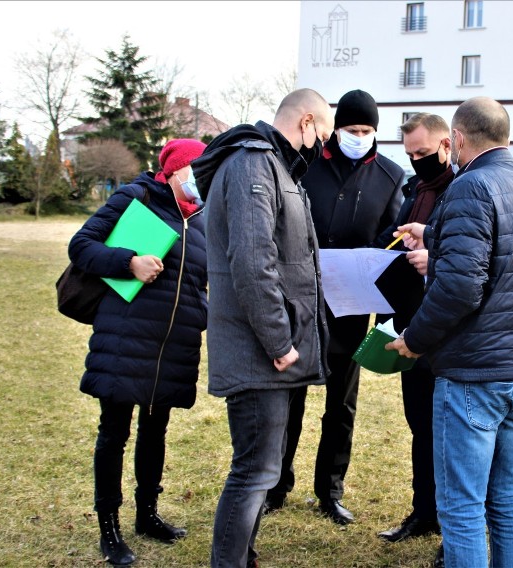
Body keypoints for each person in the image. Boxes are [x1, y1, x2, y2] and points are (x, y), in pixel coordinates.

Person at [386, 96, 513, 568]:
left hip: (474, 373)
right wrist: (435, 236)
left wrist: (414, 339)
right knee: (503, 497)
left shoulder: (470, 187)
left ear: (457, 139)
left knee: (461, 506)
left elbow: (461, 287)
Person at [191, 88, 333, 568]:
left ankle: (243, 557)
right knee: (254, 472)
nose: (321, 149)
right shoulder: (255, 163)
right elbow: (254, 262)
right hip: (261, 352)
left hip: (268, 350)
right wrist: (280, 340)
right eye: (323, 136)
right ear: (307, 121)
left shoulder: (272, 164)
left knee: (262, 470)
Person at [265, 89, 404, 525]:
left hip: (353, 306)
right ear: (336, 129)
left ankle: (330, 490)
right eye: (350, 130)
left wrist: (368, 258)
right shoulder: (306, 166)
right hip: (303, 302)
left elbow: (392, 234)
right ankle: (276, 485)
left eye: (366, 131)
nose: (358, 137)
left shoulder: (390, 175)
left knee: (341, 405)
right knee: (291, 398)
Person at [68, 138, 208, 566]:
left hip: (172, 344)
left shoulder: (202, 219)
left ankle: (147, 513)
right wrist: (129, 262)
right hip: (125, 338)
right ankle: (108, 527)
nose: (201, 180)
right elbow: (81, 246)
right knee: (114, 432)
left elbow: (198, 280)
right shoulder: (137, 198)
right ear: (175, 170)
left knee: (156, 430)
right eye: (196, 170)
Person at [372, 112, 454, 543]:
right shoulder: (415, 189)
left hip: (445, 333)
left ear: (446, 146)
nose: (416, 161)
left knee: (447, 434)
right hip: (409, 328)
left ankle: (451, 524)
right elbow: (394, 236)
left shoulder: (463, 190)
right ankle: (424, 511)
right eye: (409, 154)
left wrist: (431, 248)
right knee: (420, 426)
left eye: (423, 153)